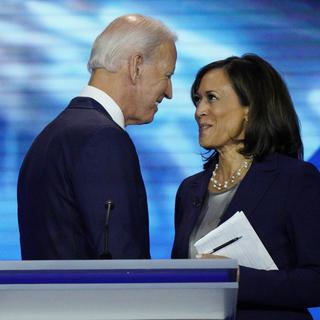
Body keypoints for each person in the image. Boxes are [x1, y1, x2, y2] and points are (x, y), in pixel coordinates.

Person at [171, 54, 320, 319]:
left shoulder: (295, 179)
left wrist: (236, 278)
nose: (199, 111)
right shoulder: (189, 189)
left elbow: (316, 280)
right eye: (197, 100)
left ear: (250, 107)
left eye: (211, 98)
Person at [18, 14, 177, 259]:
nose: (169, 92)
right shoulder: (103, 139)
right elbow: (121, 264)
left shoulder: (50, 136)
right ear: (136, 66)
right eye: (167, 75)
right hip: (97, 299)